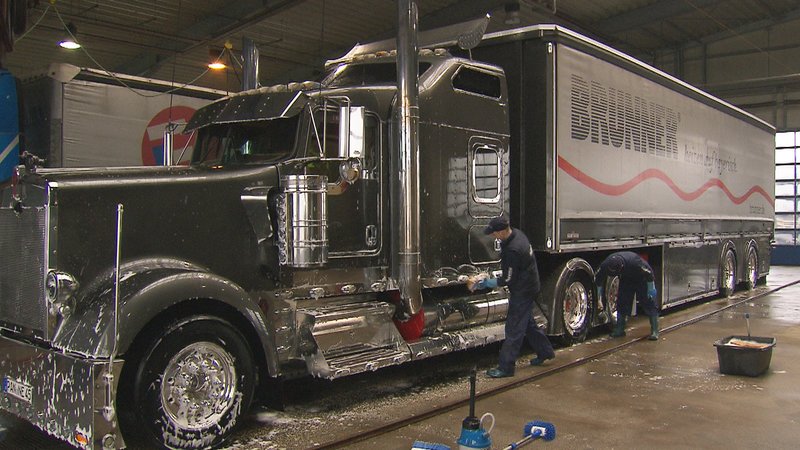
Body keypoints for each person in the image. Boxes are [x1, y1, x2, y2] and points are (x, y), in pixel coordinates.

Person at [469, 216, 555, 378]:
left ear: (501, 231)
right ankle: (545, 352)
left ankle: (506, 367)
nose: (493, 236)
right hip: (529, 283)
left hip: (523, 290)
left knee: (514, 327)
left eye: (494, 233)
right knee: (528, 323)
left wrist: (486, 283)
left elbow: (508, 279)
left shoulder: (513, 249)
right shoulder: (516, 234)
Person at [595, 251, 659, 340]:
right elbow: (598, 281)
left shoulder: (635, 262)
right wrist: (598, 298)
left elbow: (649, 273)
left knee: (648, 302)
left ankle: (655, 331)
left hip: (641, 278)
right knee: (622, 301)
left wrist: (651, 288)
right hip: (626, 279)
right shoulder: (605, 265)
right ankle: (620, 329)